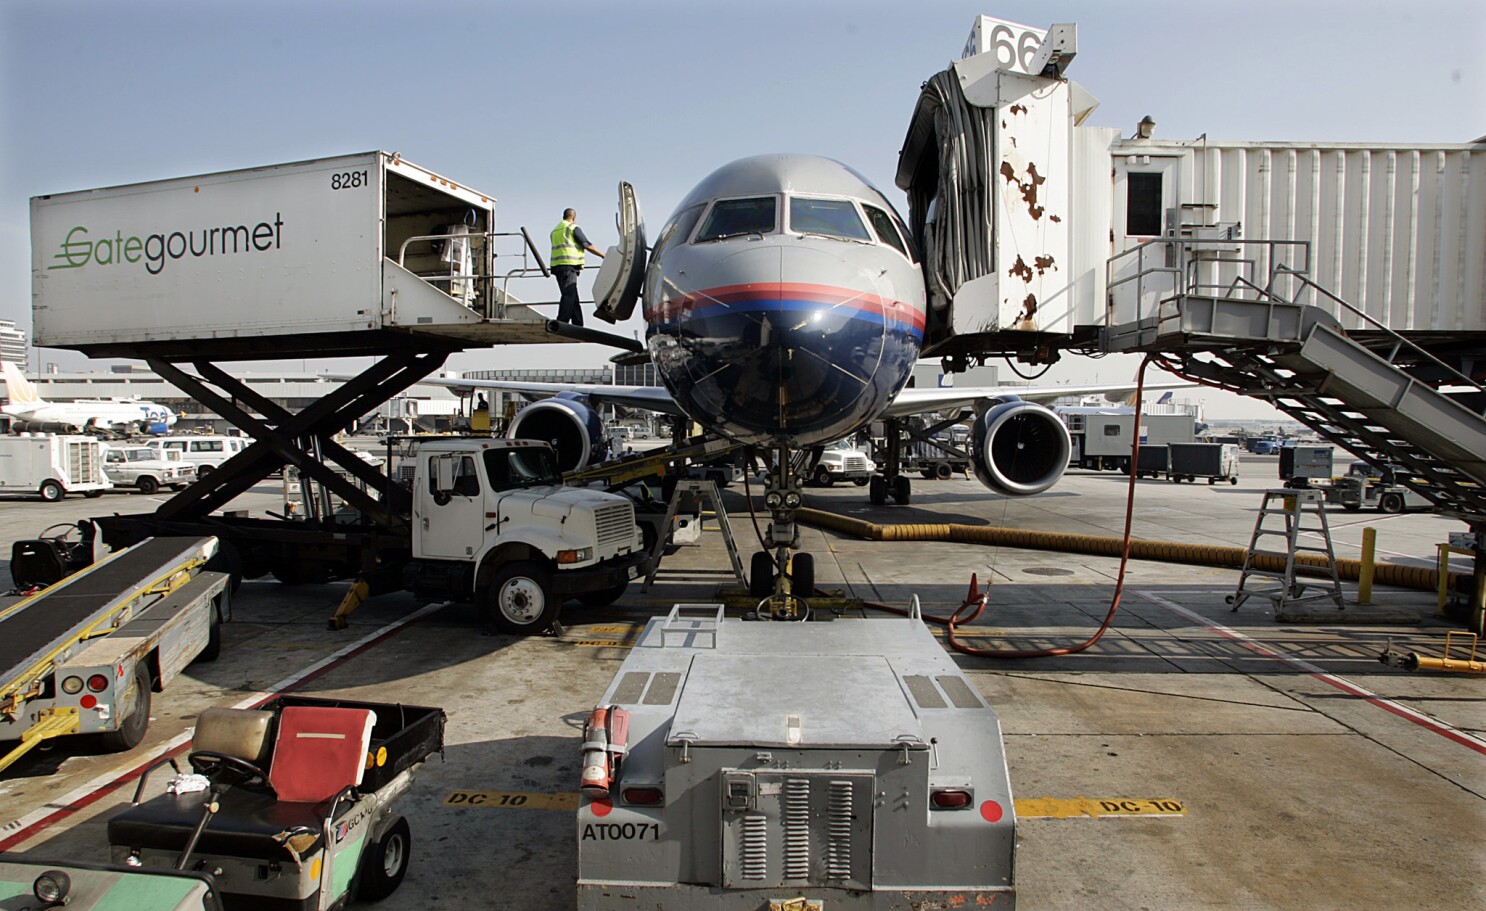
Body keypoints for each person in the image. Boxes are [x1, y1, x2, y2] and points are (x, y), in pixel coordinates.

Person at [549, 208, 604, 326]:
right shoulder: (572, 228)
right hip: (569, 265)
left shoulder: (555, 231)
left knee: (572, 294)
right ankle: (562, 321)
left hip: (557, 266)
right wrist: (603, 255)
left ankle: (578, 323)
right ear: (573, 218)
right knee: (569, 294)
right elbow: (587, 245)